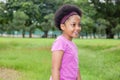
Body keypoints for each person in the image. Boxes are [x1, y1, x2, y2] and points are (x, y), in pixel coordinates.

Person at [50, 4, 82, 80]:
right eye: (73, 25)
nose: (77, 28)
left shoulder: (73, 45)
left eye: (79, 25)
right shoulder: (60, 42)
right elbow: (55, 69)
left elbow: (76, 68)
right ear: (63, 26)